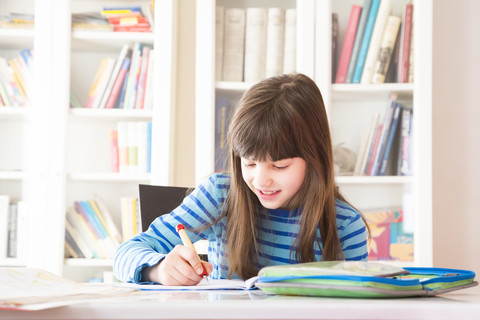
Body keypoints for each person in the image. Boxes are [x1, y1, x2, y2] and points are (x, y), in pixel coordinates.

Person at [113, 73, 369, 286]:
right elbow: (125, 253)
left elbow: (358, 307)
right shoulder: (220, 195)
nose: (260, 180)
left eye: (279, 166)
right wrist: (157, 269)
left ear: (315, 159)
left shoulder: (344, 225)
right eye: (249, 162)